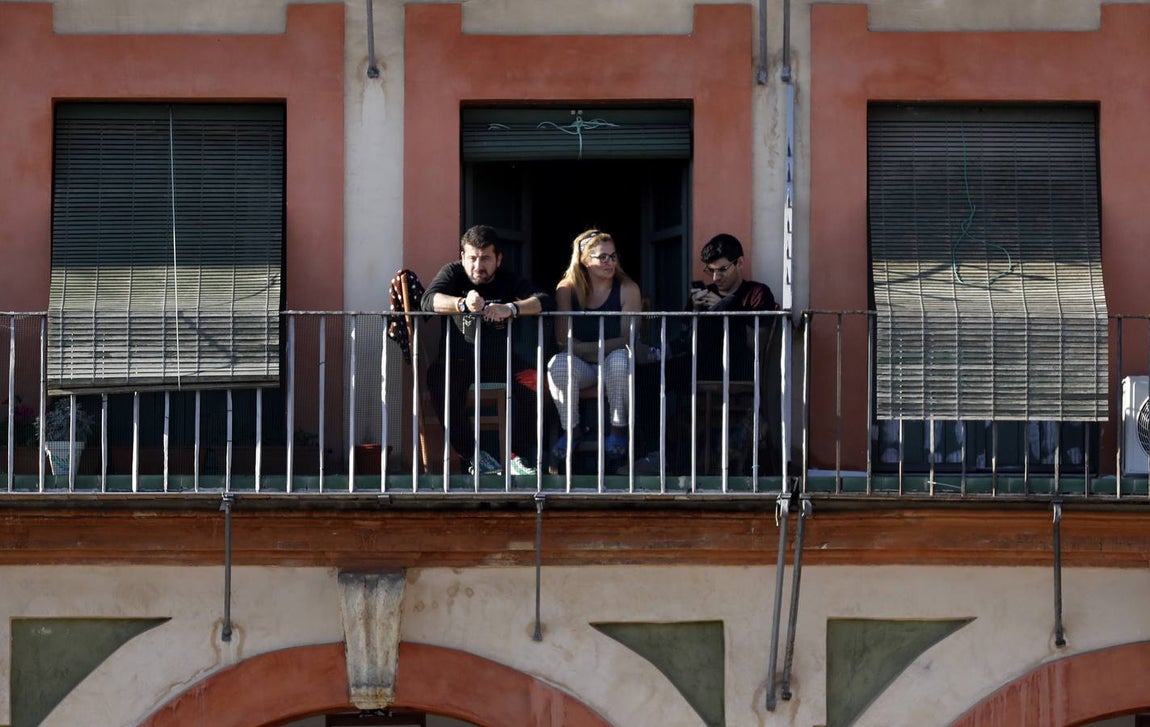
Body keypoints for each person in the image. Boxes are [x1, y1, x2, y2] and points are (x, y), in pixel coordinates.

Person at [633, 233, 778, 475]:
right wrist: (694, 313)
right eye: (710, 271)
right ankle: (655, 453)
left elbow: (756, 344)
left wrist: (725, 308)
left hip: (737, 368)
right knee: (643, 378)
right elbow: (686, 339)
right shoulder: (706, 293)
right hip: (697, 364)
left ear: (739, 263)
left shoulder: (756, 293)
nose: (715, 278)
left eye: (722, 270)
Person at [421, 225, 553, 475]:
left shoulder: (508, 279)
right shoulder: (452, 273)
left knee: (534, 381)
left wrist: (511, 309)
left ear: (498, 259)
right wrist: (461, 304)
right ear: (462, 257)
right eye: (472, 258)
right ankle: (473, 456)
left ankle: (518, 457)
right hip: (458, 360)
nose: (477, 266)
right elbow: (429, 300)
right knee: (438, 377)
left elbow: (544, 300)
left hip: (499, 360)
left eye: (485, 259)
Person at [546, 229, 643, 473]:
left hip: (614, 365)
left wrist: (583, 348)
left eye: (613, 256)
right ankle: (572, 430)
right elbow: (562, 341)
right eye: (602, 257)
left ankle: (618, 431)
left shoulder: (628, 288)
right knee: (557, 363)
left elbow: (627, 340)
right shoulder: (566, 289)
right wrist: (587, 349)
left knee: (620, 359)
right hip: (584, 368)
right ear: (584, 260)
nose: (610, 262)